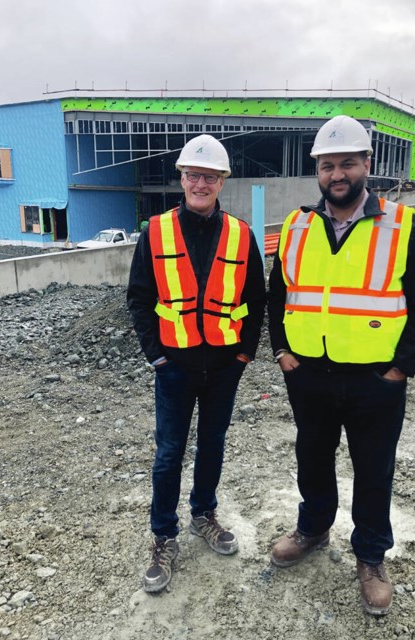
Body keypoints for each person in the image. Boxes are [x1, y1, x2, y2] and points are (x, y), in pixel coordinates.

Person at [267, 116, 415, 615]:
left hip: (375, 379)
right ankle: (313, 528)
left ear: (366, 165)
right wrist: (282, 352)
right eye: (328, 165)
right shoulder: (298, 225)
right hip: (310, 375)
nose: (337, 173)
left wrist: (401, 369)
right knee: (313, 458)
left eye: (347, 162)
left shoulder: (402, 225)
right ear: (317, 171)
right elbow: (278, 292)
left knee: (373, 470)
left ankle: (370, 558)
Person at [127, 134, 267, 593]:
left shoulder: (242, 235)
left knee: (212, 444)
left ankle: (203, 514)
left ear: (222, 181)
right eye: (193, 175)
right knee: (169, 454)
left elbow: (256, 300)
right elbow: (140, 299)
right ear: (182, 179)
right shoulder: (155, 232)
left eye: (209, 176)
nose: (200, 183)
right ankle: (163, 536)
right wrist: (158, 358)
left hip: (224, 366)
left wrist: (243, 355)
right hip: (175, 367)